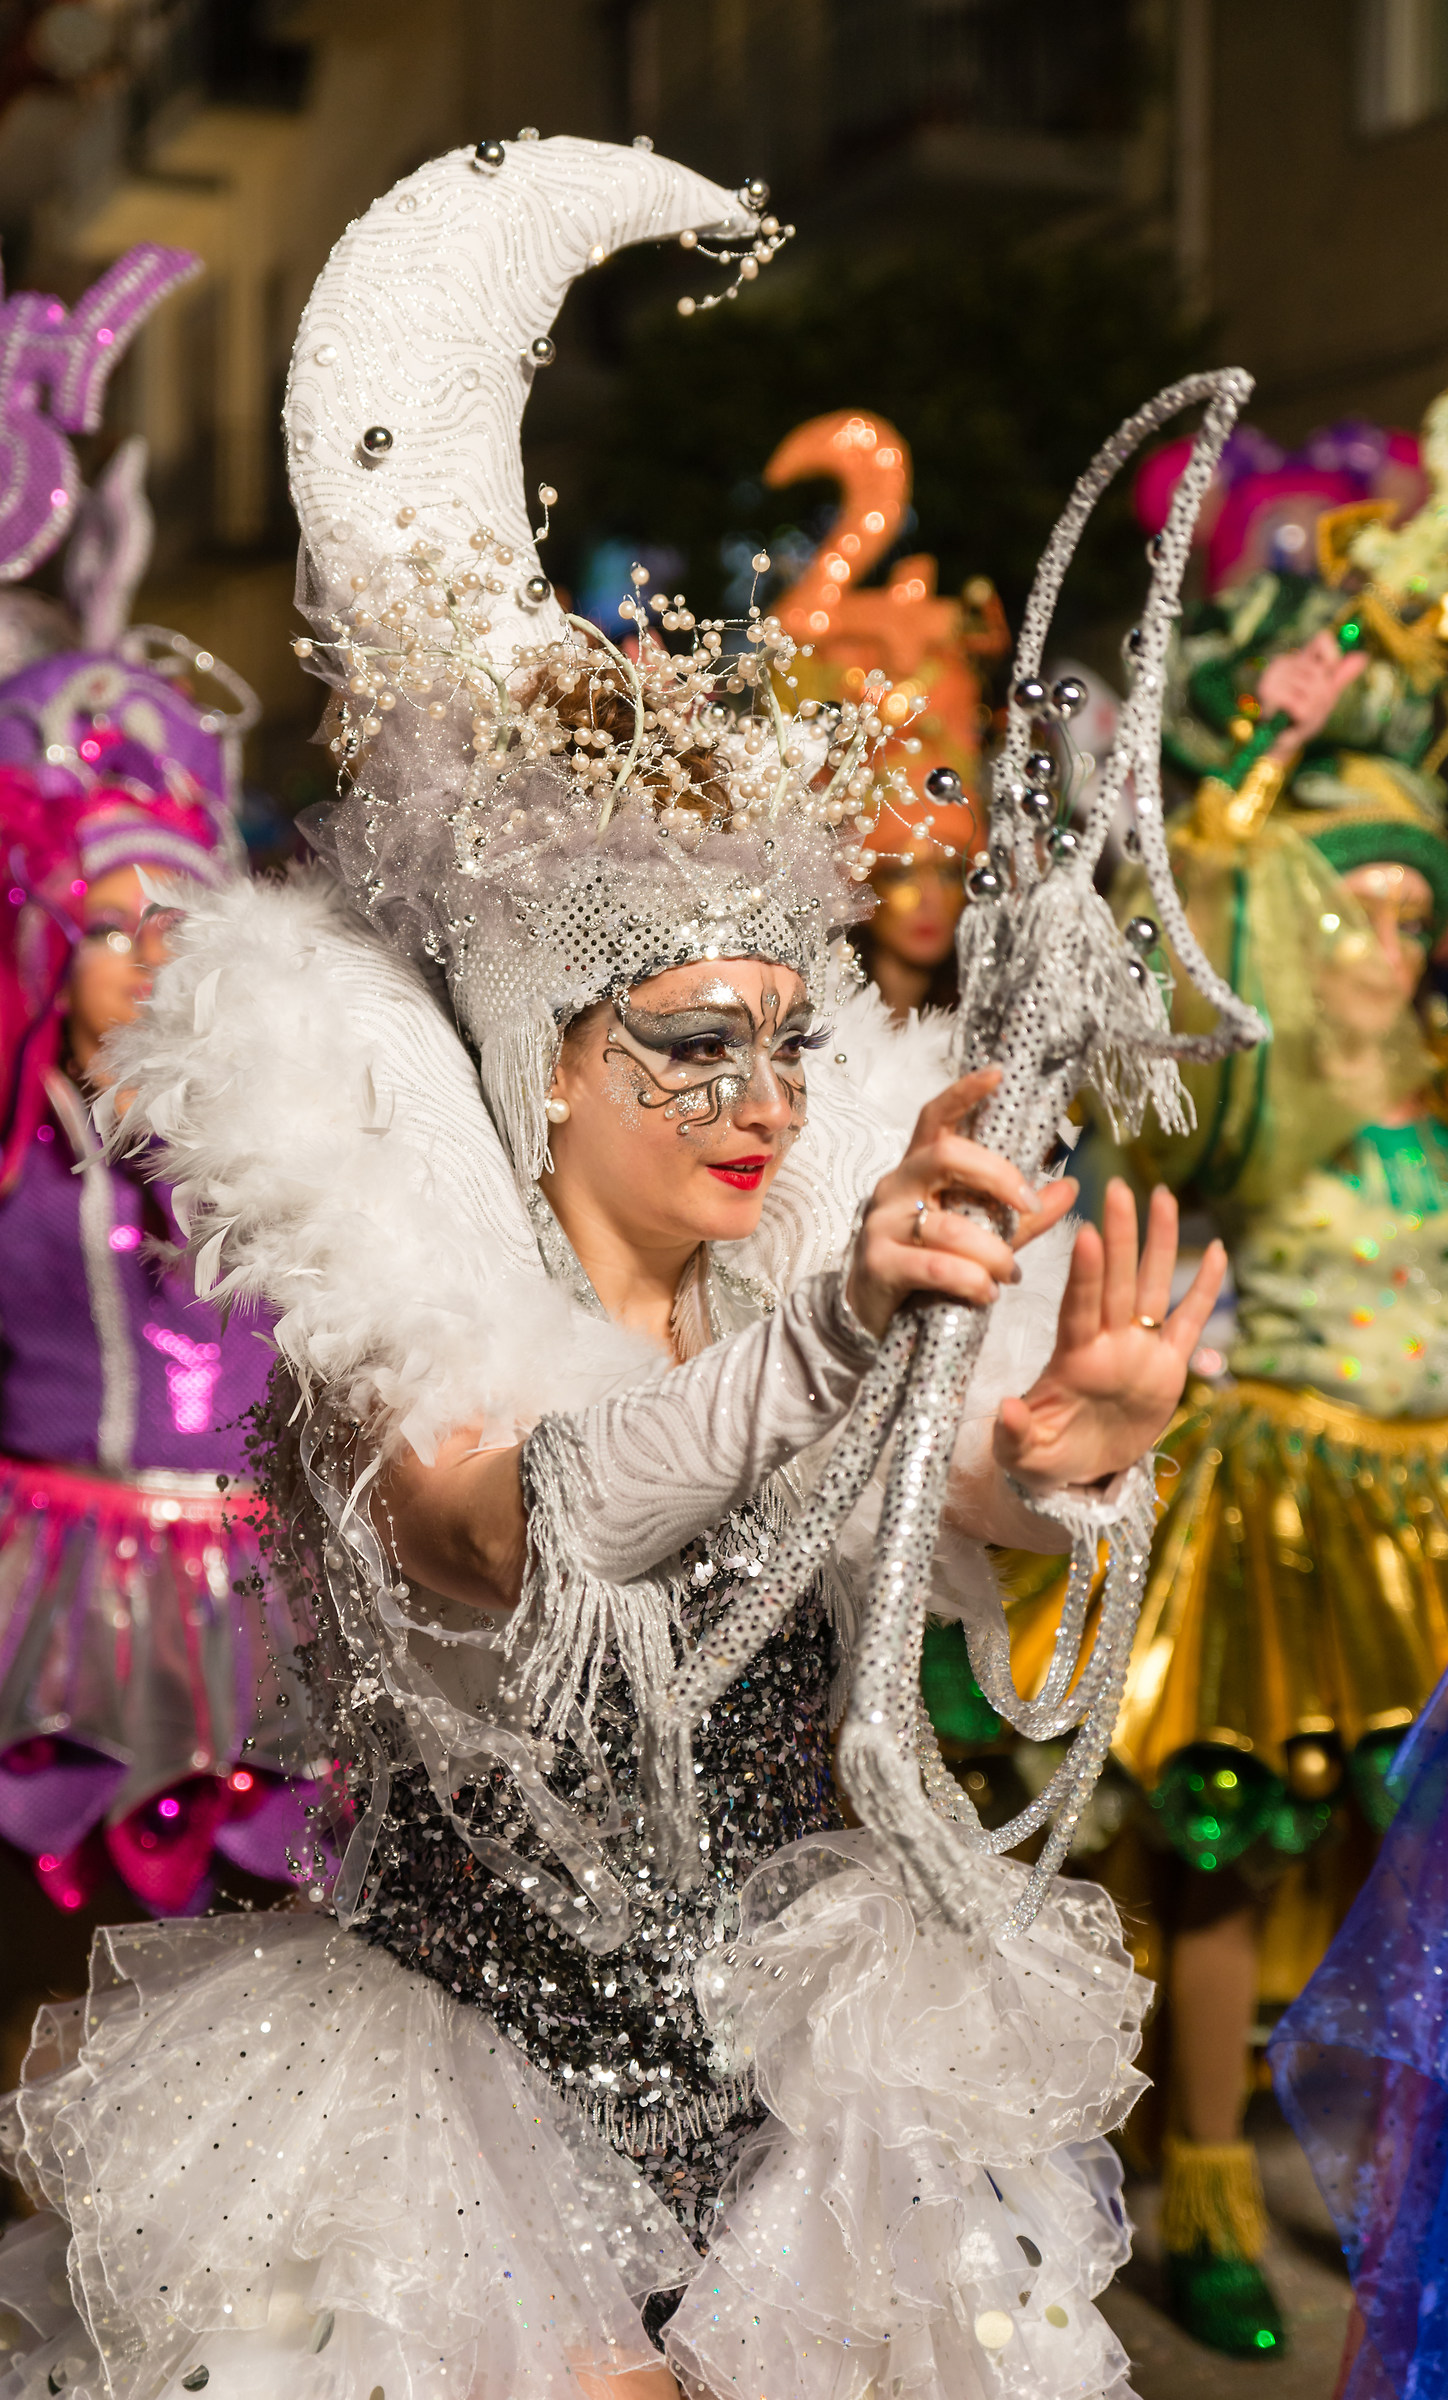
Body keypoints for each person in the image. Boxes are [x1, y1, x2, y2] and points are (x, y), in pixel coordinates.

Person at [0, 135, 1226, 2400]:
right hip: (454, 2152)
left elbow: (919, 1519)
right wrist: (845, 1336)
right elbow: (501, 1533)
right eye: (685, 1046)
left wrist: (1052, 1458)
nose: (760, 1101)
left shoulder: (779, 1294)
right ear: (544, 1073)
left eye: (786, 1041)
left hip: (807, 2122)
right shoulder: (405, 1328)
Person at [1005, 433, 1448, 2359]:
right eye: (1356, 913)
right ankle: (1199, 2185)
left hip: (1427, 1517)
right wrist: (1258, 759)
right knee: (1221, 1849)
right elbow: (1154, 963)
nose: (1390, 951)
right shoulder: (1250, 1097)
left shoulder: (1438, 1099)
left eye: (1417, 917)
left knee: (1409, 1883)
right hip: (1274, 1516)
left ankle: (1390, 2183)